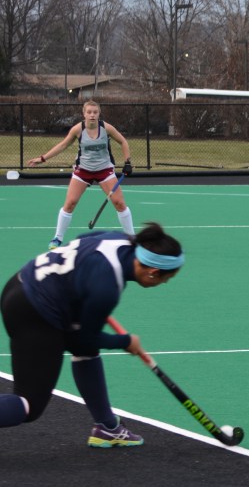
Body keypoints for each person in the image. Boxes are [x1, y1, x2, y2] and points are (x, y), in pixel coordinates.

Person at [0, 222, 184, 447]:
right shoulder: (106, 288)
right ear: (154, 272)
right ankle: (107, 426)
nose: (164, 284)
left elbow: (82, 240)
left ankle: (107, 427)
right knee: (28, 405)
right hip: (35, 311)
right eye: (168, 278)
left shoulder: (119, 240)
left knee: (85, 351)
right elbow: (84, 337)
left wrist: (82, 288)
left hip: (21, 284)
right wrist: (125, 341)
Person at [27, 100, 134, 250]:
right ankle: (57, 238)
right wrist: (42, 158)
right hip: (83, 170)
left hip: (104, 170)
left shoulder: (106, 128)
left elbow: (123, 141)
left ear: (99, 114)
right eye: (89, 112)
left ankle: (132, 238)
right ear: (84, 114)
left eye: (95, 112)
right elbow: (63, 145)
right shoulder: (78, 129)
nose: (92, 115)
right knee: (70, 204)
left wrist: (127, 162)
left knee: (119, 204)